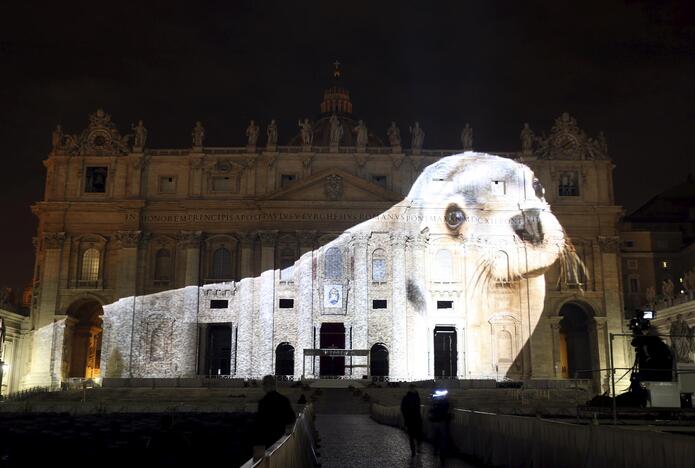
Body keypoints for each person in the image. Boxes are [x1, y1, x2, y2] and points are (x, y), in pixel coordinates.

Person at [254, 375, 296, 448]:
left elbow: (260, 423)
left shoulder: (263, 402)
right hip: (281, 438)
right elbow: (291, 419)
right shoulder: (284, 400)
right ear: (275, 385)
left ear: (264, 386)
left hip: (267, 439)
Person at [428, 389, 451, 463]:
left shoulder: (436, 402)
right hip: (441, 422)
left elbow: (431, 411)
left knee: (437, 437)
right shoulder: (444, 402)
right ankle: (442, 455)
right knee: (442, 439)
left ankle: (436, 451)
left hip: (436, 422)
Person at [400, 384, 423, 456]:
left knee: (416, 435)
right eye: (412, 388)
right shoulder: (408, 398)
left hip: (414, 419)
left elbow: (403, 409)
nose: (413, 389)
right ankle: (414, 450)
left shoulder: (416, 397)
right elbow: (403, 409)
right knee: (412, 436)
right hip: (411, 419)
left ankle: (416, 449)